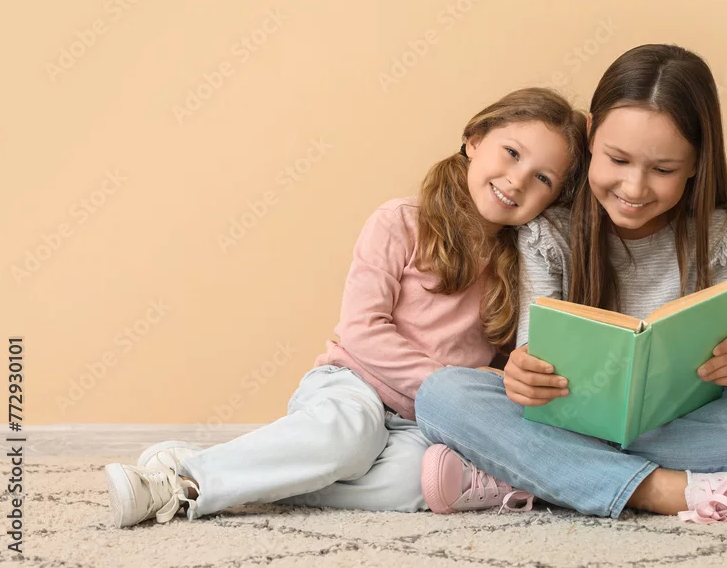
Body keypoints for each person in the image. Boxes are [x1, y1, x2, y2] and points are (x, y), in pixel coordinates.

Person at [103, 87, 588, 527]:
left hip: (423, 421)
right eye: (511, 153)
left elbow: (509, 361)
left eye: (542, 178)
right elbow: (362, 330)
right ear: (474, 140)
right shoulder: (401, 221)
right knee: (351, 438)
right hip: (352, 386)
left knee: (417, 480)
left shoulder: (524, 263)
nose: (517, 180)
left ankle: (224, 466)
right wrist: (447, 384)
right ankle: (180, 483)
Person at [415, 44, 727, 525]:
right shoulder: (548, 230)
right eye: (618, 160)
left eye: (663, 170)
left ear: (696, 163)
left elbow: (726, 348)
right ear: (590, 134)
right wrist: (522, 372)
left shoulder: (717, 234)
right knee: (443, 394)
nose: (634, 188)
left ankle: (533, 472)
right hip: (563, 416)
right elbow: (532, 351)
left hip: (667, 424)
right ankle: (667, 491)